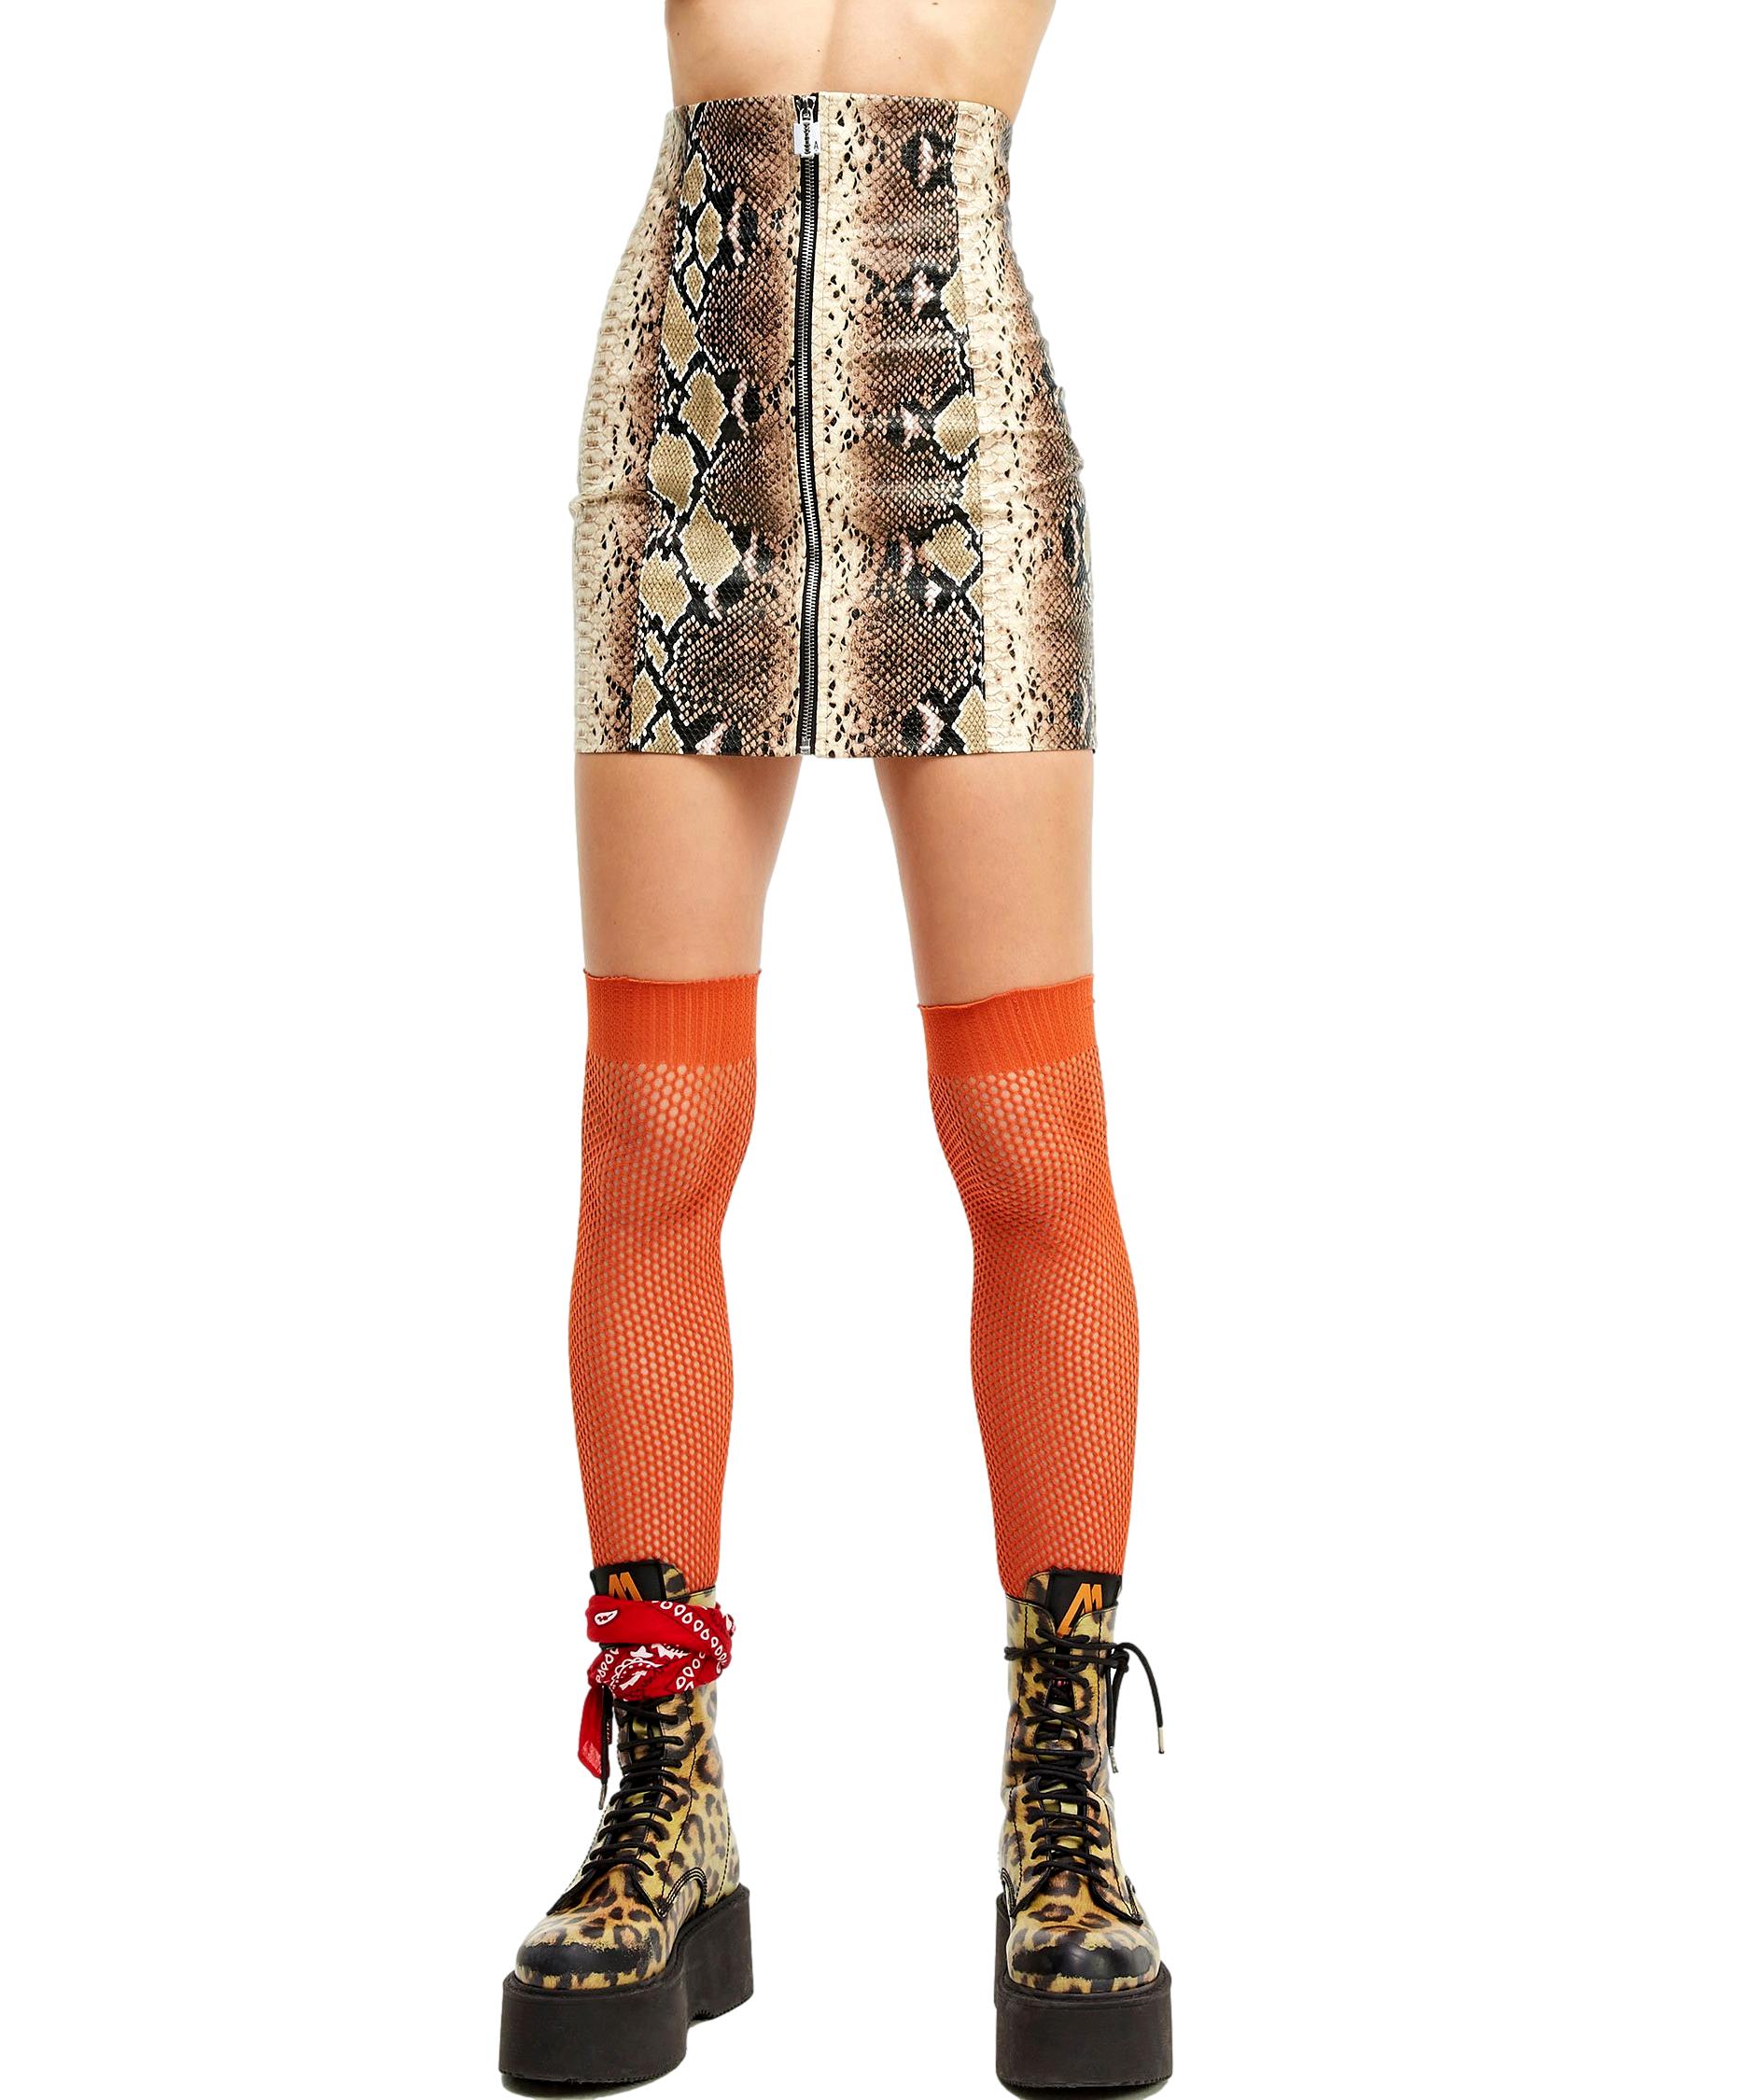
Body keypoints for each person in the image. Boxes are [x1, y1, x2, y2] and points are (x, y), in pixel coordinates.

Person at [497, 5, 1170, 2086]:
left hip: (952, 403)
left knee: (1029, 1129)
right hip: (691, 407)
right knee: (656, 1123)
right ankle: (664, 1789)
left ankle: (1060, 1805)